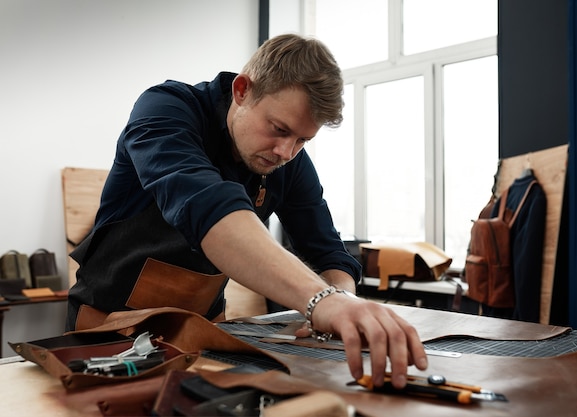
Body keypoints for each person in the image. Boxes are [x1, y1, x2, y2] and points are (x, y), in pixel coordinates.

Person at [66, 33, 427, 388]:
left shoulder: (286, 161)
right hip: (109, 329)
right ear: (242, 91)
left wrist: (343, 300)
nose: (286, 151)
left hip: (204, 330)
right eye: (279, 129)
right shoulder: (166, 110)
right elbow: (209, 211)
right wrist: (321, 300)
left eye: (303, 140)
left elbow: (328, 249)